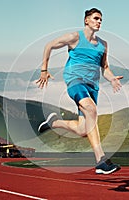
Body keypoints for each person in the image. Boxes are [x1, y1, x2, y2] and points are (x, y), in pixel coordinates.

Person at [36, 8, 123, 174]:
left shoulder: (103, 45)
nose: (99, 22)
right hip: (75, 81)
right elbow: (49, 46)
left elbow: (104, 67)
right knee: (91, 109)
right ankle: (101, 160)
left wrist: (111, 78)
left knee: (84, 130)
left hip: (92, 86)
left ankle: (54, 123)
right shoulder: (75, 37)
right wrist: (43, 70)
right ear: (86, 21)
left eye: (101, 20)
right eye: (96, 18)